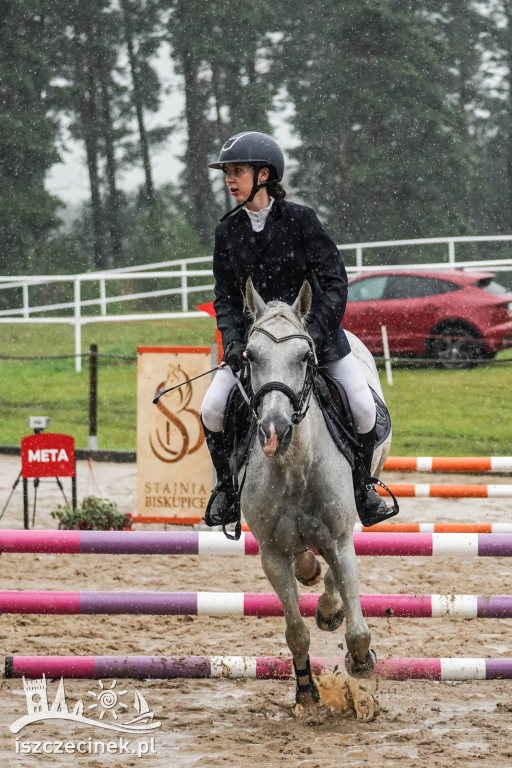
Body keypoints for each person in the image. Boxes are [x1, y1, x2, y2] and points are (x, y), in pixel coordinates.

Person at [201, 130, 395, 528]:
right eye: (227, 172)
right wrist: (235, 342)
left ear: (265, 175)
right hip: (256, 349)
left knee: (362, 408)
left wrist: (313, 337)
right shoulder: (228, 232)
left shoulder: (301, 220)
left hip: (316, 341)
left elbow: (334, 284)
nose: (229, 179)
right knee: (212, 409)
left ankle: (362, 489)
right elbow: (225, 297)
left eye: (237, 171)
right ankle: (226, 489)